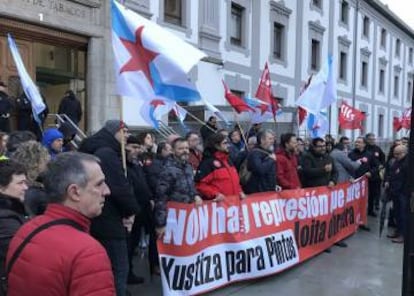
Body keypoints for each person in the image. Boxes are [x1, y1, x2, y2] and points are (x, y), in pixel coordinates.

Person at [6, 152, 115, 295]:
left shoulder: (26, 229)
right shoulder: (87, 252)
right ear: (74, 192)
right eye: (99, 184)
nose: (107, 191)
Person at [78, 120, 139, 296]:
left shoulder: (100, 149)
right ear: (114, 132)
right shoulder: (107, 153)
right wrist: (131, 210)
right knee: (119, 268)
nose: (127, 136)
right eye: (124, 131)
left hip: (98, 217)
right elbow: (118, 187)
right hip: (109, 219)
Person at [154, 138, 203, 237]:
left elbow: (191, 186)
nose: (185, 151)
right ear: (173, 150)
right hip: (173, 216)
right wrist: (161, 223)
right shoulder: (167, 169)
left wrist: (196, 195)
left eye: (186, 148)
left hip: (187, 214)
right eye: (180, 148)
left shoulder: (188, 167)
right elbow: (161, 197)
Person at [195, 133, 245, 202]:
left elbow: (235, 181)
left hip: (233, 204)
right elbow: (200, 185)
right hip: (218, 206)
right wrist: (215, 194)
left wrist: (240, 191)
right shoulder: (207, 163)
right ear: (216, 145)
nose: (228, 146)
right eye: (225, 143)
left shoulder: (228, 161)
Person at [0, 160, 28, 285]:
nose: (25, 187)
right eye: (20, 183)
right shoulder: (5, 220)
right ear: (1, 187)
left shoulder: (13, 209)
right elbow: (20, 254)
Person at [11, 141, 50, 216]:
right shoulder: (36, 193)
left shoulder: (13, 182)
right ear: (37, 163)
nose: (47, 164)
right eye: (44, 160)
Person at [348, 137, 380, 221]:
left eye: (359, 142)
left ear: (364, 144)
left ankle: (369, 211)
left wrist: (371, 172)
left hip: (367, 179)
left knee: (369, 196)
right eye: (356, 142)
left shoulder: (369, 154)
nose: (356, 144)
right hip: (355, 180)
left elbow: (376, 166)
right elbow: (348, 166)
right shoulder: (351, 154)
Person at [384, 145, 409, 243]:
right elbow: (391, 172)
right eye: (394, 153)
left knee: (403, 214)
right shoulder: (397, 161)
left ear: (404, 152)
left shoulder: (408, 163)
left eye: (397, 154)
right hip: (395, 191)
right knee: (396, 213)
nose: (395, 156)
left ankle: (403, 235)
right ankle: (398, 231)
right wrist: (387, 181)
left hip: (403, 193)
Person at [243, 129, 277, 194]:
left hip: (268, 189)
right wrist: (270, 160)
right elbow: (260, 170)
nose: (272, 141)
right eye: (270, 139)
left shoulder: (269, 153)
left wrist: (274, 184)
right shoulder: (255, 153)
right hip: (258, 190)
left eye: (273, 139)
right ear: (262, 140)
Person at [365, 133, 385, 212]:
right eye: (370, 139)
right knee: (368, 193)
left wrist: (382, 165)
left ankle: (375, 204)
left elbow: (383, 159)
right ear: (367, 140)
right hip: (366, 174)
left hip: (376, 174)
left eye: (373, 139)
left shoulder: (377, 149)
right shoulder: (365, 148)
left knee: (376, 191)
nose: (372, 141)